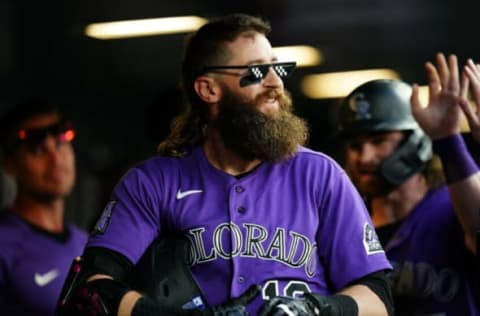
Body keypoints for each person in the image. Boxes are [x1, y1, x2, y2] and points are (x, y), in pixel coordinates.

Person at [56, 13, 393, 316]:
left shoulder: (320, 175)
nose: (276, 82)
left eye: (278, 68)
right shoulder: (153, 182)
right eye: (258, 71)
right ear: (208, 89)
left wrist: (317, 309)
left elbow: (378, 297)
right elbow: (92, 287)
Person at [337, 53, 479, 315]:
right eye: (355, 146)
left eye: (379, 141)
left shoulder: (454, 207)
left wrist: (447, 140)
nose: (364, 157)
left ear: (416, 142)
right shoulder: (346, 223)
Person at [0, 99, 88, 316]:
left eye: (60, 143)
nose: (55, 158)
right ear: (10, 165)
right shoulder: (4, 245)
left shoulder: (86, 243)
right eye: (37, 148)